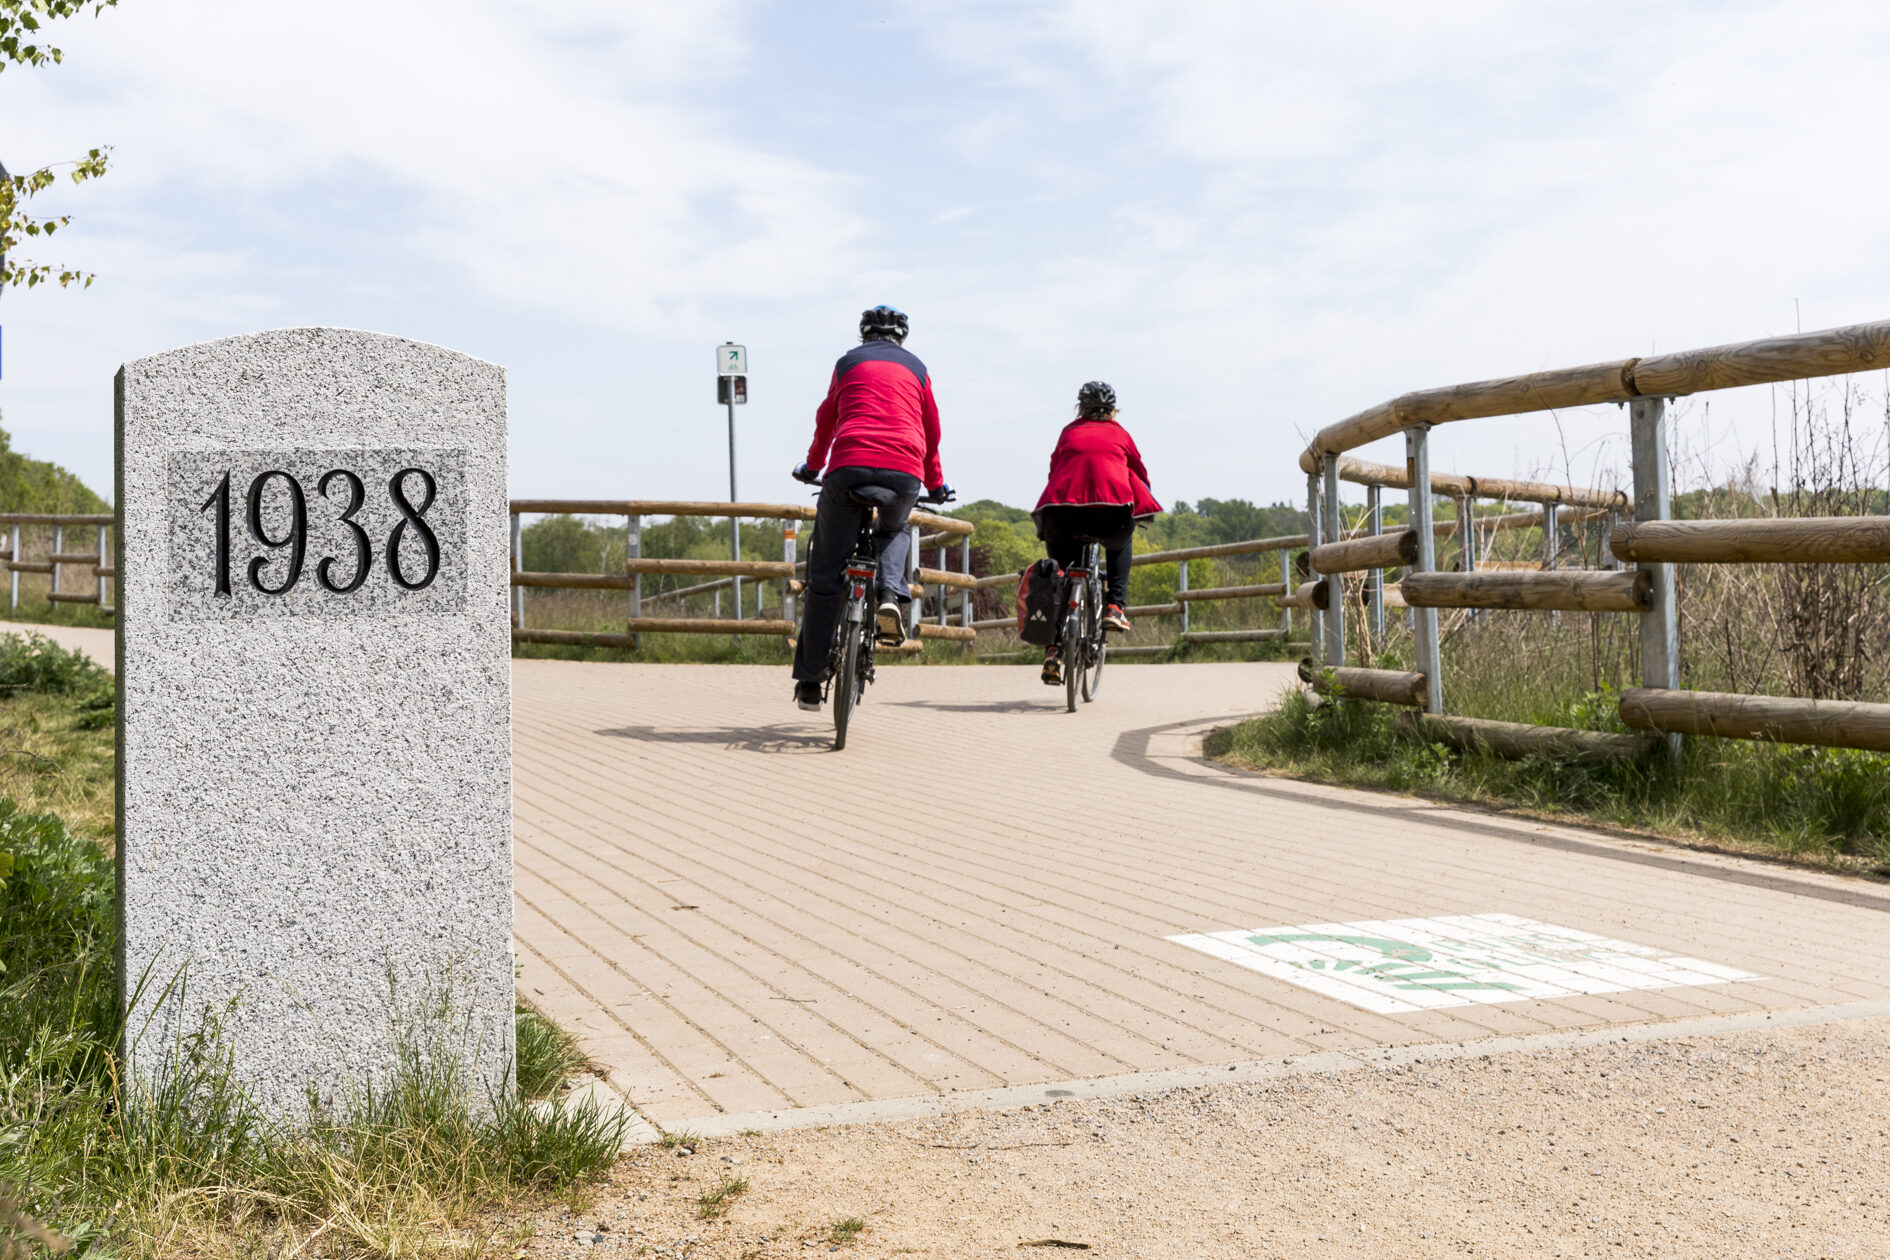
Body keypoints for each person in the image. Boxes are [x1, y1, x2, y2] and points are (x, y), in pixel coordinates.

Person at [789, 305, 953, 711]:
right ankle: (889, 596)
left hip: (848, 467)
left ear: (864, 335)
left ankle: (810, 682)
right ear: (902, 337)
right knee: (895, 529)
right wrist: (936, 484)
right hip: (903, 470)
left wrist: (812, 465)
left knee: (825, 577)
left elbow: (827, 417)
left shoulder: (848, 362)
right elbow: (931, 431)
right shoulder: (917, 368)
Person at [1031, 380, 1161, 685]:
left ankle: (1053, 651)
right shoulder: (1121, 434)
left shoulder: (1069, 432)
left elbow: (1054, 470)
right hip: (1110, 516)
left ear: (1081, 409)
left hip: (1061, 515)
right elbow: (1140, 475)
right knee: (1122, 541)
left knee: (1061, 579)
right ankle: (1115, 606)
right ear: (1113, 411)